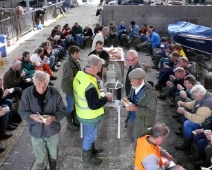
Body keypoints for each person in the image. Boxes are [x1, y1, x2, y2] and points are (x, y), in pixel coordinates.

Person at [18, 71, 66, 170]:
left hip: (52, 131)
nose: (41, 89)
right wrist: (31, 116)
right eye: (38, 86)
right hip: (36, 131)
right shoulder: (27, 93)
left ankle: (53, 167)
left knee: (54, 155)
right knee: (40, 158)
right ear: (34, 83)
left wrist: (54, 117)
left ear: (47, 83)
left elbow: (63, 110)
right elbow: (22, 111)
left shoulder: (54, 92)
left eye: (44, 86)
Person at [73, 55, 113, 166]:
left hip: (81, 112)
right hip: (89, 115)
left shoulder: (80, 75)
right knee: (90, 137)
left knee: (88, 134)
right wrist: (106, 98)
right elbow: (94, 105)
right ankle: (87, 159)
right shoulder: (89, 85)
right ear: (94, 67)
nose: (100, 70)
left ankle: (92, 150)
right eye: (99, 67)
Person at [124, 68, 157, 143]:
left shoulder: (151, 94)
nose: (131, 83)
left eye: (133, 81)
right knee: (131, 139)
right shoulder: (134, 87)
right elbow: (129, 98)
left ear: (141, 80)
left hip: (142, 125)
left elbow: (151, 112)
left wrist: (136, 108)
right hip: (131, 119)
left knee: (139, 143)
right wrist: (125, 102)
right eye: (130, 81)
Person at [175, 85, 212, 150]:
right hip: (200, 116)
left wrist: (184, 112)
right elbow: (193, 104)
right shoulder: (203, 95)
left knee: (187, 123)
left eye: (195, 96)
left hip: (204, 122)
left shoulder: (206, 104)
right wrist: (183, 103)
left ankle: (187, 143)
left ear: (200, 95)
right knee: (185, 111)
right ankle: (185, 131)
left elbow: (198, 119)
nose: (194, 97)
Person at [61, 46, 81, 131]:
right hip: (69, 88)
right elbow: (67, 78)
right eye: (77, 53)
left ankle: (76, 121)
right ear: (72, 54)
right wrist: (79, 79)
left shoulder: (75, 61)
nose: (78, 54)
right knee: (70, 106)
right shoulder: (67, 63)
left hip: (75, 87)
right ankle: (69, 123)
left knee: (76, 104)